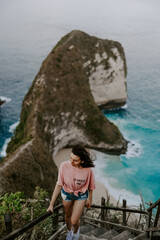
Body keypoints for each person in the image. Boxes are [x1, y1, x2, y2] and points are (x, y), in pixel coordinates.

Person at [47, 144, 95, 240]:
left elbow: (90, 186)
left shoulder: (88, 170)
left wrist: (90, 198)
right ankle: (69, 232)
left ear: (82, 160)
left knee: (74, 221)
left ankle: (76, 232)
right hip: (67, 194)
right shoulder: (64, 166)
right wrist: (51, 204)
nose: (71, 162)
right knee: (67, 216)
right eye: (70, 158)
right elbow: (59, 185)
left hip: (81, 195)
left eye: (75, 160)